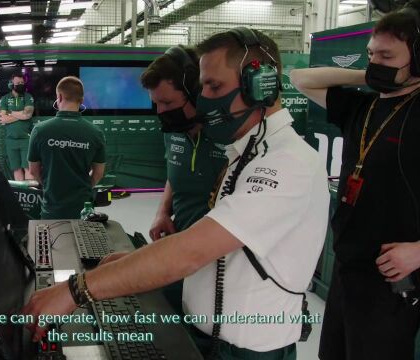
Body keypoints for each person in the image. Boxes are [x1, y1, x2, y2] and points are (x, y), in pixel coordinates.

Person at [23, 28, 329, 359]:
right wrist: (127, 264)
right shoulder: (245, 153)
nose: (206, 99)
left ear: (261, 85)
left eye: (214, 86)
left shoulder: (286, 162)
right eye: (203, 87)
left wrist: (76, 290)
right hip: (210, 337)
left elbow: (192, 251)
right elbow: (220, 251)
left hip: (245, 351)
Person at [291, 3, 420, 359]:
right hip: (348, 269)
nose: (375, 61)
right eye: (370, 54)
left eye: (386, 55)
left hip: (391, 278)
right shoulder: (362, 106)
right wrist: (372, 75)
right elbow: (300, 79)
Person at [140, 45, 228, 314]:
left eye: (167, 103)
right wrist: (163, 211)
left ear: (195, 92)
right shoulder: (173, 128)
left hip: (219, 261)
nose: (160, 112)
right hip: (178, 246)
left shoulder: (230, 135)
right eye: (156, 103)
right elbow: (174, 170)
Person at [27, 76, 106, 219]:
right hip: (84, 211)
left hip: (51, 210)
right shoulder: (96, 133)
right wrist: (85, 188)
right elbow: (98, 173)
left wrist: (49, 187)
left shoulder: (40, 130)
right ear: (81, 100)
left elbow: (33, 170)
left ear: (59, 96)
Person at [0, 73, 35, 181]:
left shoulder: (28, 97)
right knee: (16, 169)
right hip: (11, 140)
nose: (20, 85)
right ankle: (21, 194)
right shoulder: (4, 99)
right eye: (18, 83)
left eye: (22, 83)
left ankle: (29, 194)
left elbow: (28, 114)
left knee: (28, 169)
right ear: (11, 84)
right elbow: (2, 119)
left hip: (26, 139)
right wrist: (21, 114)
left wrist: (9, 113)